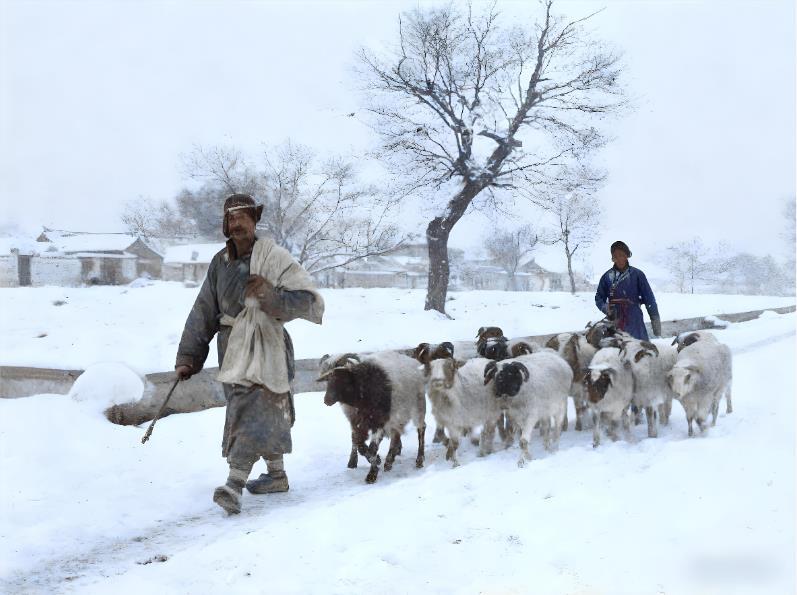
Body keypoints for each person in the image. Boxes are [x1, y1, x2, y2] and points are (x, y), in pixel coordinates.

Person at [175, 193, 324, 514]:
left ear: (255, 221)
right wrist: (188, 357)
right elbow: (203, 310)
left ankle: (234, 484)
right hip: (232, 350)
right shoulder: (220, 263)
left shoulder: (274, 257)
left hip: (268, 345)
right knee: (261, 410)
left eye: (243, 216)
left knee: (252, 408)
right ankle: (276, 475)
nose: (237, 222)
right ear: (225, 225)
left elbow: (308, 300)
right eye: (231, 217)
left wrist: (272, 297)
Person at [594, 240, 661, 341]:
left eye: (621, 255)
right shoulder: (606, 277)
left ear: (627, 255)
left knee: (640, 351)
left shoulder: (638, 275)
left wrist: (655, 321)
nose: (619, 258)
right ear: (612, 258)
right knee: (617, 353)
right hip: (614, 322)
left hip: (635, 320)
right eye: (615, 256)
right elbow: (599, 298)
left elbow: (649, 300)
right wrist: (606, 308)